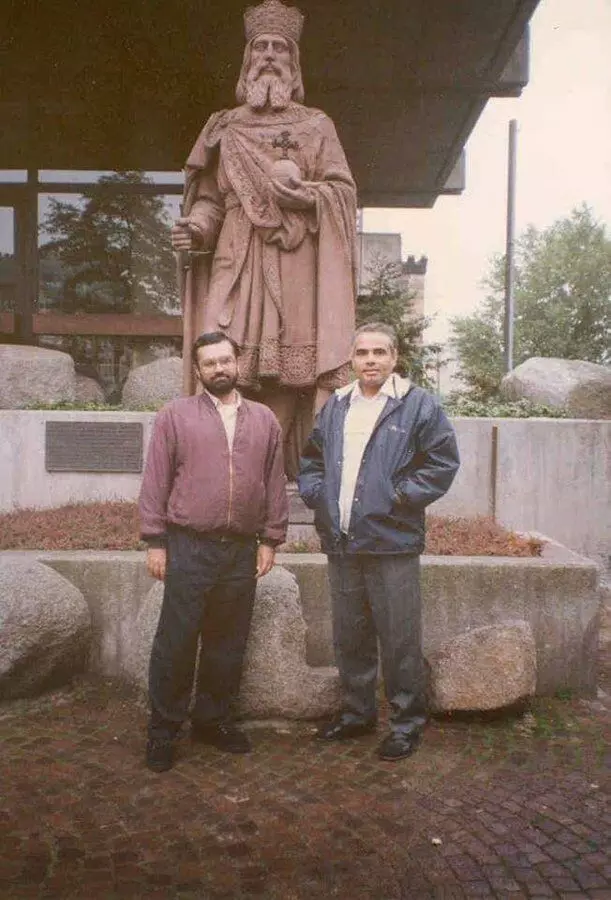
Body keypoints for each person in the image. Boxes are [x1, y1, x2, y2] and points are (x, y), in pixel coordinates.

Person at [171, 0, 357, 478]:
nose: (269, 55)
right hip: (236, 255)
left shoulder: (316, 125)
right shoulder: (225, 127)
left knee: (288, 367)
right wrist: (197, 227)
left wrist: (306, 195)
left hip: (295, 260)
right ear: (247, 59)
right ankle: (221, 468)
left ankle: (274, 471)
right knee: (221, 350)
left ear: (294, 62)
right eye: (261, 47)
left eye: (280, 47)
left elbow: (342, 192)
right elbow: (210, 200)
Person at [298, 323, 460, 761]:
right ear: (352, 359)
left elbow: (442, 463)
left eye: (379, 352)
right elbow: (311, 460)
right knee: (350, 636)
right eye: (362, 353)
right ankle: (357, 714)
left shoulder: (418, 405)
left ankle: (406, 724)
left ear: (394, 357)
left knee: (399, 639)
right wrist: (317, 494)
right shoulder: (336, 405)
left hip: (393, 542)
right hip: (342, 542)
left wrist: (399, 496)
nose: (370, 360)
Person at [139, 331, 288, 773]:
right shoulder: (175, 415)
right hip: (188, 546)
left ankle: (212, 720)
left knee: (228, 641)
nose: (219, 369)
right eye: (209, 363)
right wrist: (155, 541)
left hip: (240, 549)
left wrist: (270, 539)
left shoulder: (264, 419)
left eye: (225, 360)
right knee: (176, 643)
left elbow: (274, 482)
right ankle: (163, 731)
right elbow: (156, 480)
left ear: (237, 362)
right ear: (198, 370)